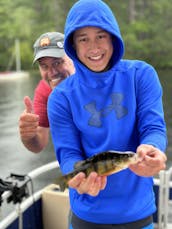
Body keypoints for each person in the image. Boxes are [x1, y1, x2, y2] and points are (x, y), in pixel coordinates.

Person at [48, 1, 167, 229]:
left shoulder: (141, 75)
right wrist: (77, 178)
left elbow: (153, 128)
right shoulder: (61, 97)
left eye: (101, 36)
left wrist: (152, 147)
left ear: (114, 37)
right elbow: (69, 153)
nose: (94, 47)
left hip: (138, 213)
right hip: (86, 217)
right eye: (83, 38)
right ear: (72, 45)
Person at [19, 32, 75, 153]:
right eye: (44, 66)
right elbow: (38, 145)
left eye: (57, 62)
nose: (52, 72)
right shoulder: (45, 92)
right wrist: (28, 136)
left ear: (74, 57)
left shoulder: (94, 77)